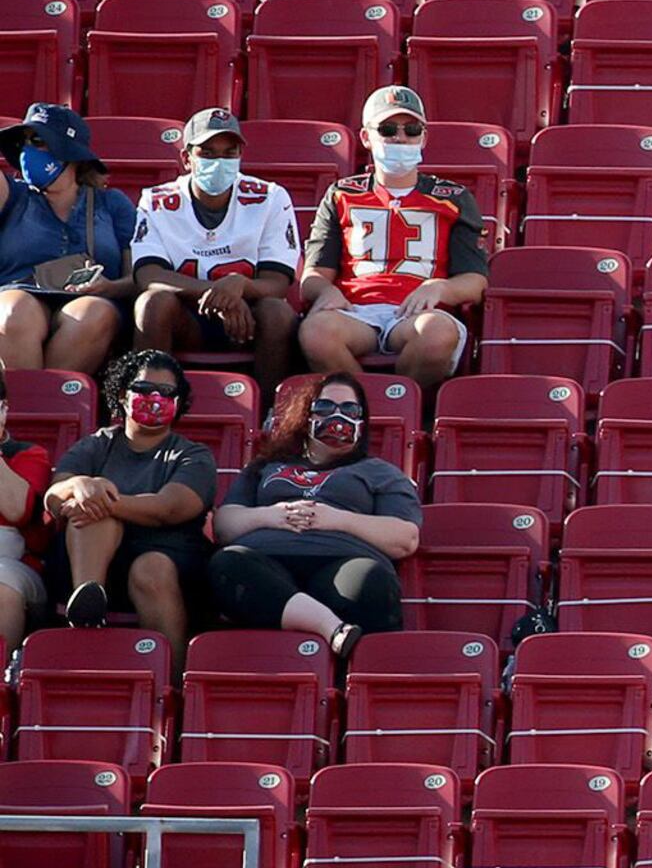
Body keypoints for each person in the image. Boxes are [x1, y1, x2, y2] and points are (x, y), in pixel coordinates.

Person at [207, 373, 420, 653]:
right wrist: (271, 515)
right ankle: (329, 627)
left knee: (373, 581)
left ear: (362, 421)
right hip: (265, 562)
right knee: (226, 564)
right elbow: (224, 524)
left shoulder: (381, 472)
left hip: (343, 561)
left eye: (349, 410)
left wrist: (338, 520)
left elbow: (406, 537)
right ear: (307, 417)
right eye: (325, 407)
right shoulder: (266, 468)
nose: (337, 416)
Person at [46, 346, 219, 642]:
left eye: (166, 392)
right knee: (93, 515)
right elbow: (54, 495)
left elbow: (170, 508)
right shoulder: (97, 444)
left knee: (148, 567)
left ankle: (171, 680)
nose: (155, 398)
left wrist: (99, 497)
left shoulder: (193, 455)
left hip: (168, 560)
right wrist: (79, 485)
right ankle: (87, 607)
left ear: (178, 401)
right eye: (143, 388)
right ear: (124, 394)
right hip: (88, 557)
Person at [127, 109, 300, 381]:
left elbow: (278, 282)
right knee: (152, 303)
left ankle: (272, 413)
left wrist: (241, 285)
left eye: (229, 153)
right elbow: (148, 275)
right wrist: (222, 293)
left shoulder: (271, 197)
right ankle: (149, 398)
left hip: (249, 321)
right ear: (186, 158)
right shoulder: (157, 200)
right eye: (207, 153)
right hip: (187, 316)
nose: (219, 161)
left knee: (277, 311)